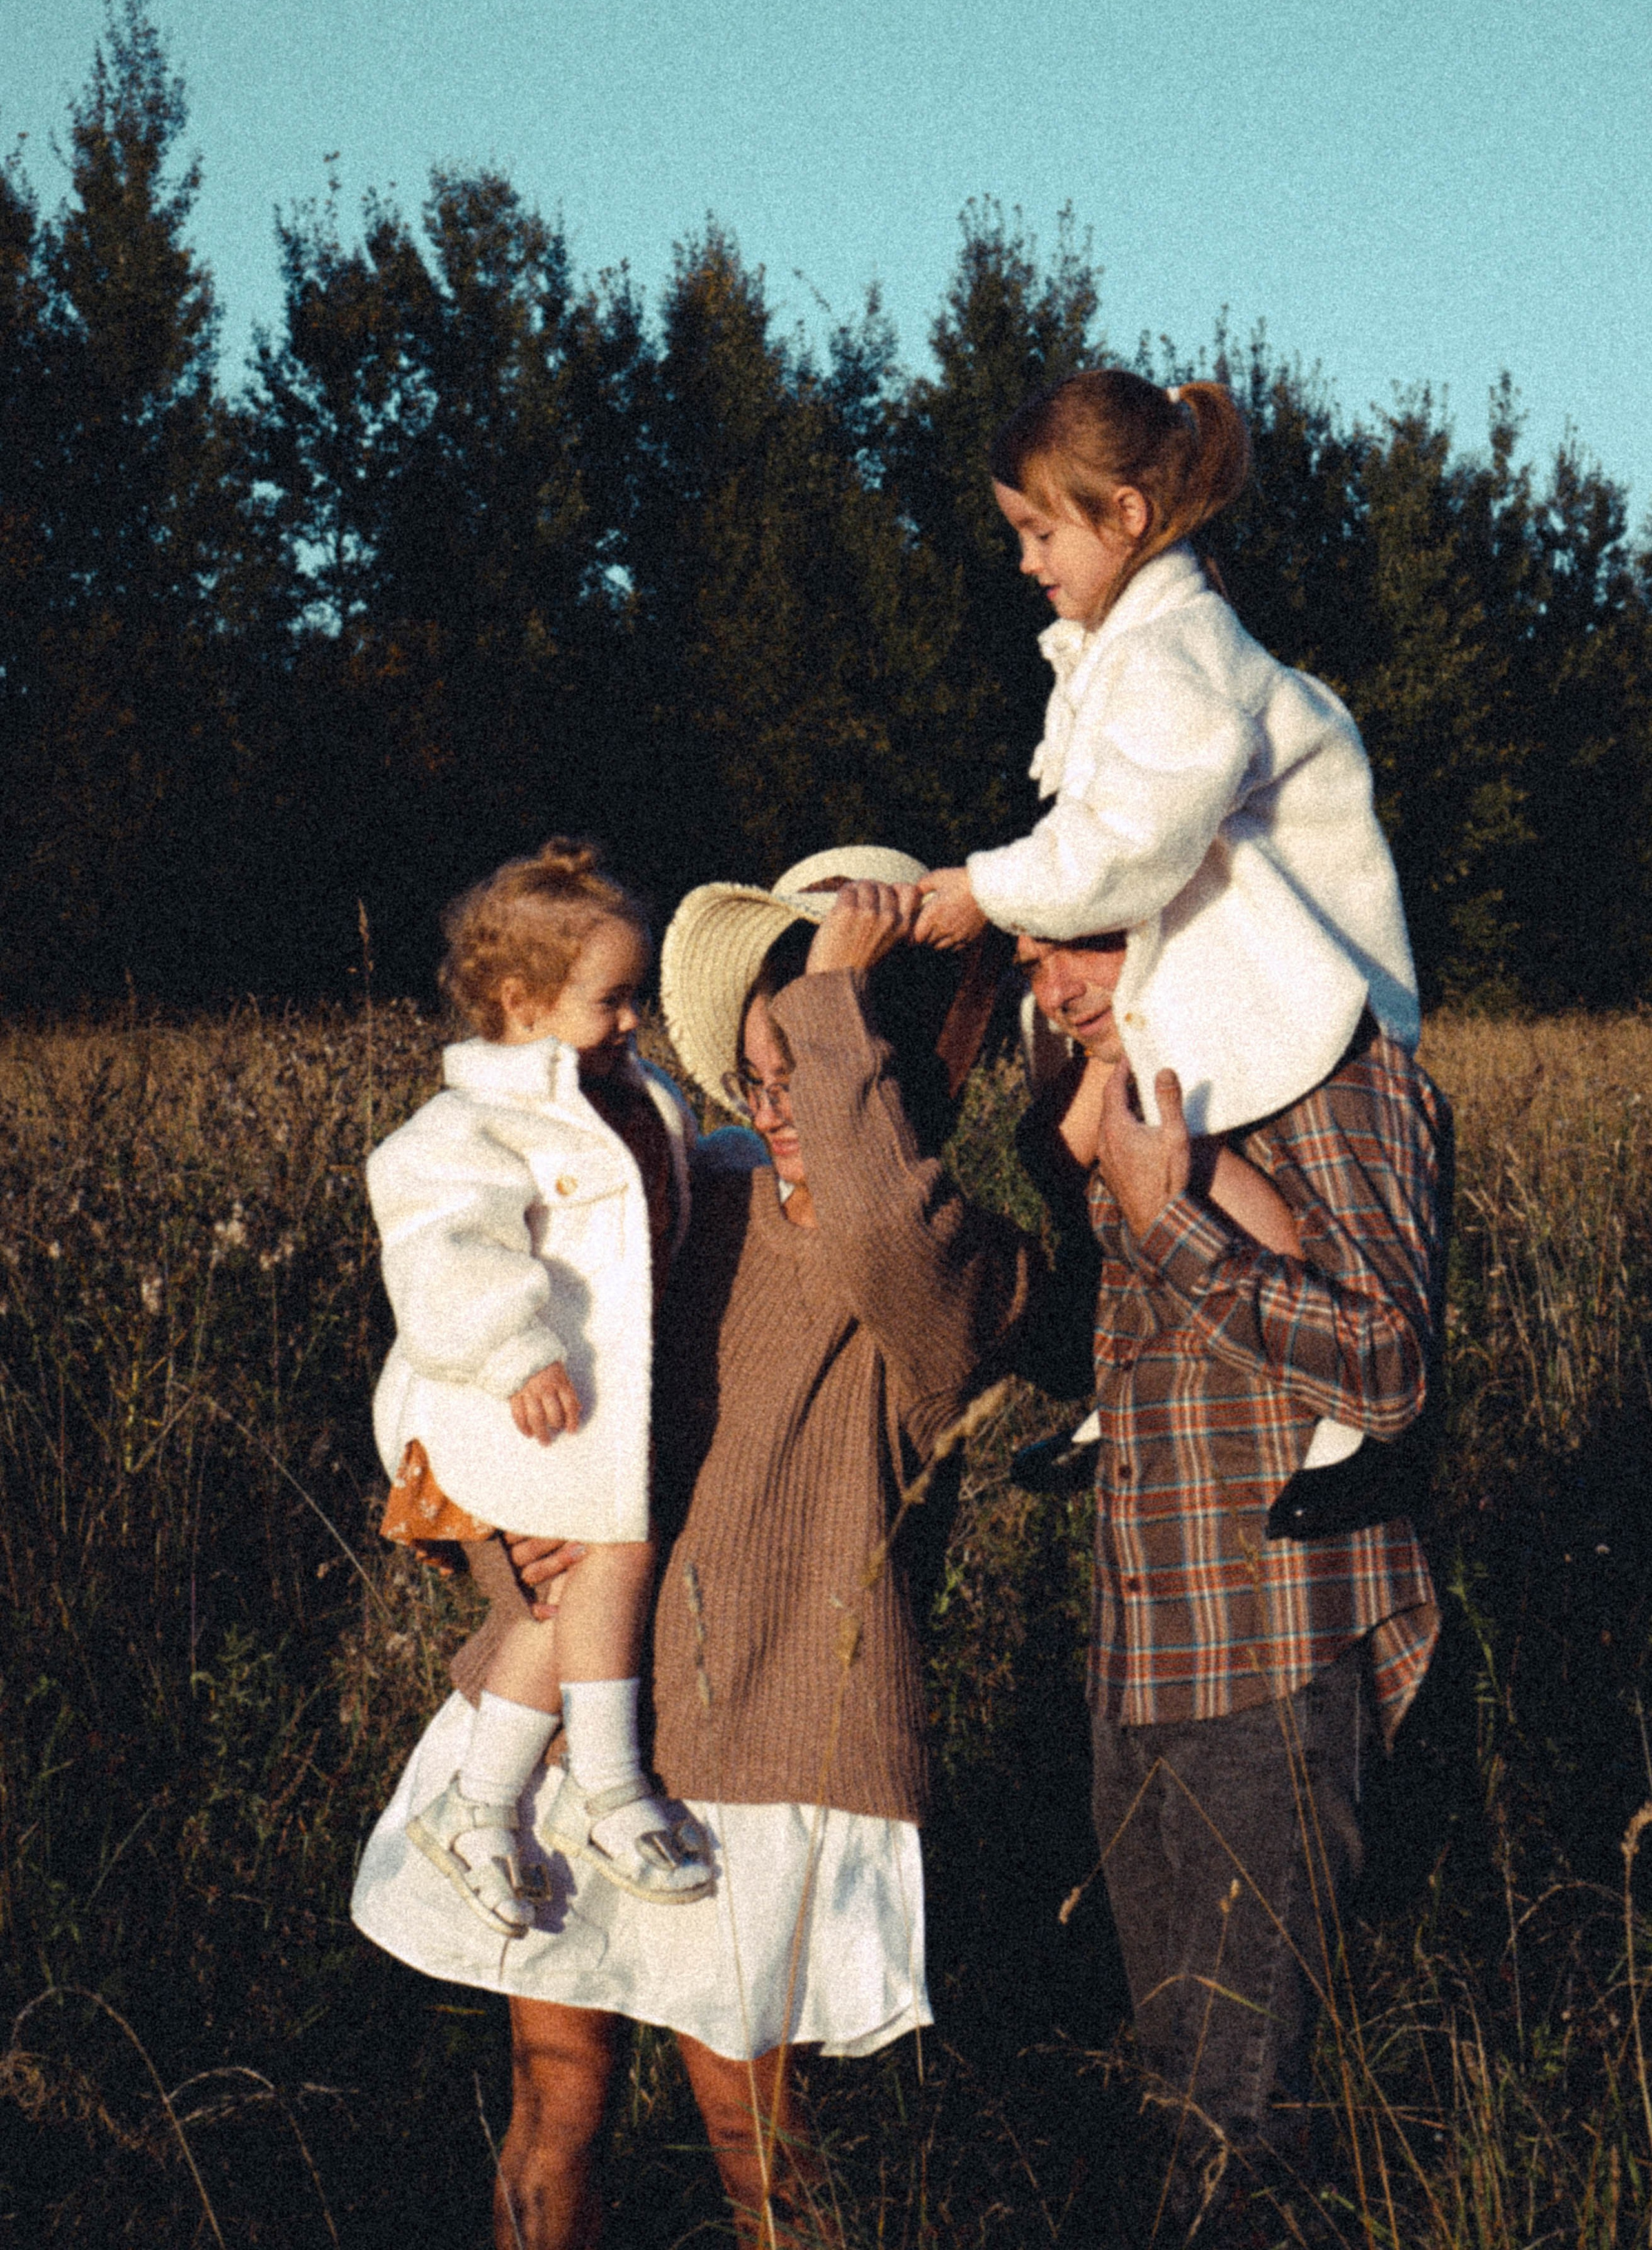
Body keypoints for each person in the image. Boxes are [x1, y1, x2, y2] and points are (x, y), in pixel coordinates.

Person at [352, 852, 1032, 2249]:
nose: (780, 1101)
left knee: (756, 2139)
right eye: (761, 1065)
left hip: (771, 1746)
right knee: (558, 2093)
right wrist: (504, 1541)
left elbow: (889, 1227)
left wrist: (846, 994)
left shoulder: (964, 1268)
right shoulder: (678, 1192)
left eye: (829, 1063)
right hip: (578, 1710)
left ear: (898, 1075)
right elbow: (477, 1350)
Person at [916, 368, 1421, 1501]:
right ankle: (1119, 1377)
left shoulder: (1174, 650)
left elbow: (1135, 838)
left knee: (1209, 1176)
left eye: (1042, 531)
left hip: (1293, 979)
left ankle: (1356, 1424)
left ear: (1127, 517)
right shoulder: (1123, 649)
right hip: (1212, 970)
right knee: (1090, 1146)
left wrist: (988, 891)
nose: (1028, 560)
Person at [1014, 924, 1445, 2240]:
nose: (1055, 990)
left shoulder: (1327, 1069)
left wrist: (1169, 1223)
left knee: (1234, 2126)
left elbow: (1388, 1370)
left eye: (1082, 948)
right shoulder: (1139, 1076)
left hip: (1267, 1656)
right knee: (1180, 2097)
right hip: (1145, 1649)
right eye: (1032, 961)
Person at [366, 840, 710, 1938]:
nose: (631, 1022)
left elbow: (674, 1180)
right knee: (613, 1547)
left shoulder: (636, 1095)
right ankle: (607, 1787)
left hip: (579, 1403)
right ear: (520, 1003)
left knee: (570, 1590)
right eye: (610, 1001)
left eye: (636, 998)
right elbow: (441, 1251)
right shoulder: (466, 1128)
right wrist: (517, 1347)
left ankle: (478, 1806)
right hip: (498, 1393)